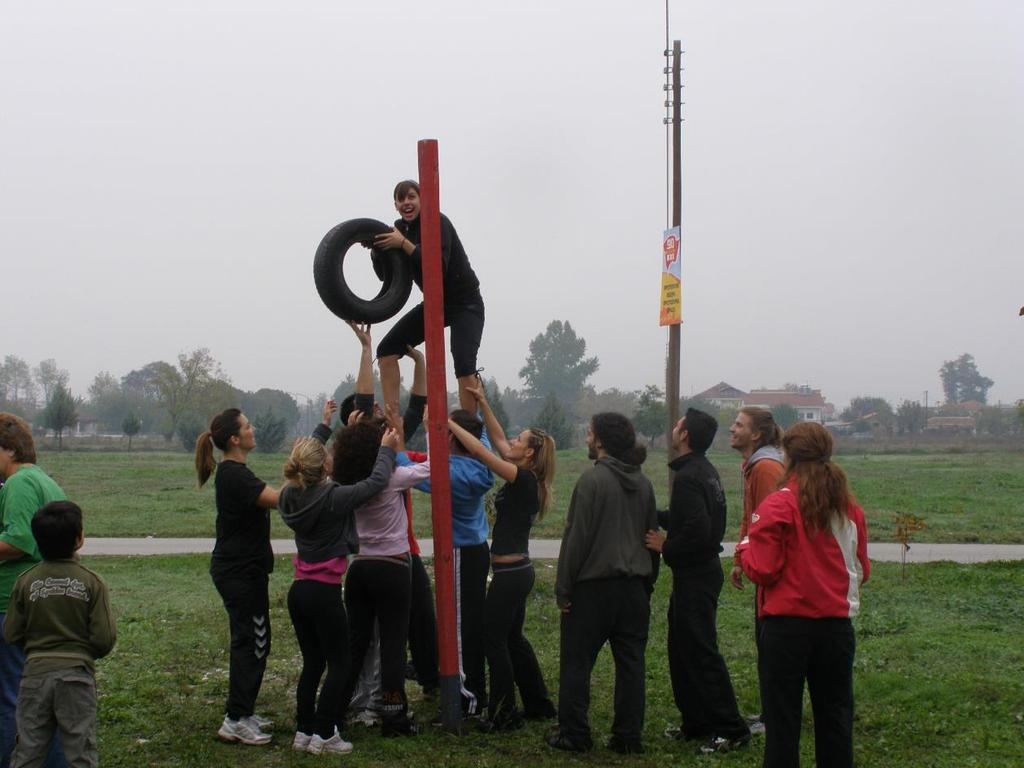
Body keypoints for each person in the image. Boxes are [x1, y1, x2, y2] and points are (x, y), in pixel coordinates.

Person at [738, 422, 870, 768]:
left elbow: (763, 570)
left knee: (782, 722)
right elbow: (861, 569)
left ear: (787, 456)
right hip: (835, 629)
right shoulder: (849, 509)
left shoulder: (777, 505)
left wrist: (745, 549)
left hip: (786, 629)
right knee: (836, 718)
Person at [278, 411, 400, 754]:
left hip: (299, 591)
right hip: (324, 594)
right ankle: (326, 732)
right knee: (340, 664)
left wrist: (325, 425)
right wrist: (386, 450)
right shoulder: (333, 498)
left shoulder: (289, 496)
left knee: (313, 663)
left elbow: (309, 457)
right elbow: (374, 484)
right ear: (325, 469)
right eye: (328, 455)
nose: (332, 456)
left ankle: (303, 731)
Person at [447, 384, 557, 732]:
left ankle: (504, 714)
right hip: (516, 572)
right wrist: (482, 402)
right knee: (512, 639)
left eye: (519, 440)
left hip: (510, 576)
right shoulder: (525, 476)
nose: (512, 441)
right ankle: (538, 703)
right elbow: (495, 440)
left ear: (530, 454)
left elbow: (482, 451)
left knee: (493, 640)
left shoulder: (523, 479)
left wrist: (446, 424)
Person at [549, 413, 659, 755]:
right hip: (634, 589)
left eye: (589, 432)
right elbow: (650, 537)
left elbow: (576, 539)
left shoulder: (592, 482)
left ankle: (574, 734)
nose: (585, 438)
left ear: (600, 441)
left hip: (592, 590)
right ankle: (627, 737)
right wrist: (647, 582)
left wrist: (564, 589)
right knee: (632, 666)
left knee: (577, 663)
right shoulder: (644, 483)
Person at [645, 409, 751, 754]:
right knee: (682, 649)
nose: (673, 428)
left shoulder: (690, 477)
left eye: (677, 425)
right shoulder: (702, 470)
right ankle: (696, 722)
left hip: (696, 575)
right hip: (698, 574)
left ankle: (731, 729)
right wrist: (652, 516)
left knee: (701, 653)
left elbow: (699, 531)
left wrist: (666, 546)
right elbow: (687, 517)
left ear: (685, 436)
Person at [333, 414, 427, 737]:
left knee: (354, 646)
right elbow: (435, 469)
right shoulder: (394, 477)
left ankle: (333, 710)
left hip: (359, 569)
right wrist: (423, 434)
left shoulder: (346, 483)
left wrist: (354, 430)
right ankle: (395, 716)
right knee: (393, 646)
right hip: (393, 568)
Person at [4, 501, 116, 768]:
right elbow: (104, 638)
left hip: (34, 677)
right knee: (81, 751)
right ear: (79, 539)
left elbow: (11, 633)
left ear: (36, 539)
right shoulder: (92, 582)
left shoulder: (25, 581)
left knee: (28, 750)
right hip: (77, 677)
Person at [396, 409, 493, 717]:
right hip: (474, 549)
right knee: (472, 624)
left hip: (461, 554)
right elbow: (481, 437)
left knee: (460, 628)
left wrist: (397, 438)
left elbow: (408, 469)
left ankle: (468, 699)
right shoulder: (481, 459)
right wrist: (473, 404)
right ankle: (473, 690)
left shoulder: (451, 473)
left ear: (451, 437)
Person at [195, 409, 279, 746]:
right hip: (240, 572)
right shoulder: (233, 474)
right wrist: (307, 474)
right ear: (234, 438)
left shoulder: (236, 470)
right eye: (247, 426)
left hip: (244, 570)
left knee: (253, 641)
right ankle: (235, 719)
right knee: (253, 643)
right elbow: (276, 499)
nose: (252, 429)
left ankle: (243, 712)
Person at [372, 179, 485, 414]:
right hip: (435, 304)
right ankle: (393, 422)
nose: (407, 203)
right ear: (395, 205)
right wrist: (377, 253)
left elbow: (436, 268)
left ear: (422, 199)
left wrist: (403, 244)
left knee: (464, 364)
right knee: (386, 351)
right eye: (401, 199)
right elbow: (386, 277)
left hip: (466, 303)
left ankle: (471, 429)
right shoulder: (397, 230)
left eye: (411, 197)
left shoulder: (438, 223)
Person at [0, 412, 67, 768]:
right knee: (42, 694)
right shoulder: (44, 480)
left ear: (9, 449)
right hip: (42, 599)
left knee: (10, 695)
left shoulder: (19, 483)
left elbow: (19, 540)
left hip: (11, 601)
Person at [728, 406, 785, 734]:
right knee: (765, 642)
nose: (732, 429)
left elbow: (766, 524)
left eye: (739, 425)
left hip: (772, 574)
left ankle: (773, 717)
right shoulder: (754, 465)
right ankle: (769, 713)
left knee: (771, 644)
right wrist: (740, 558)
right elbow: (749, 519)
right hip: (763, 568)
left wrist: (755, 564)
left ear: (757, 434)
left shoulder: (764, 468)